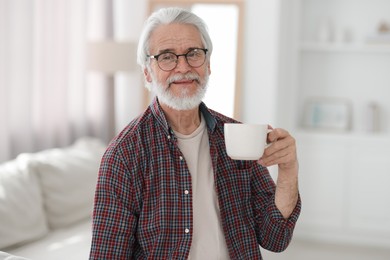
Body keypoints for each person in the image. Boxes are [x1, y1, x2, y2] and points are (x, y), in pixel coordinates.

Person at [89, 7, 301, 260]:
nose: (183, 67)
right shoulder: (124, 154)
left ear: (208, 64)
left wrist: (289, 169)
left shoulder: (236, 138)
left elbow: (275, 237)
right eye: (167, 57)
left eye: (193, 54)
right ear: (147, 71)